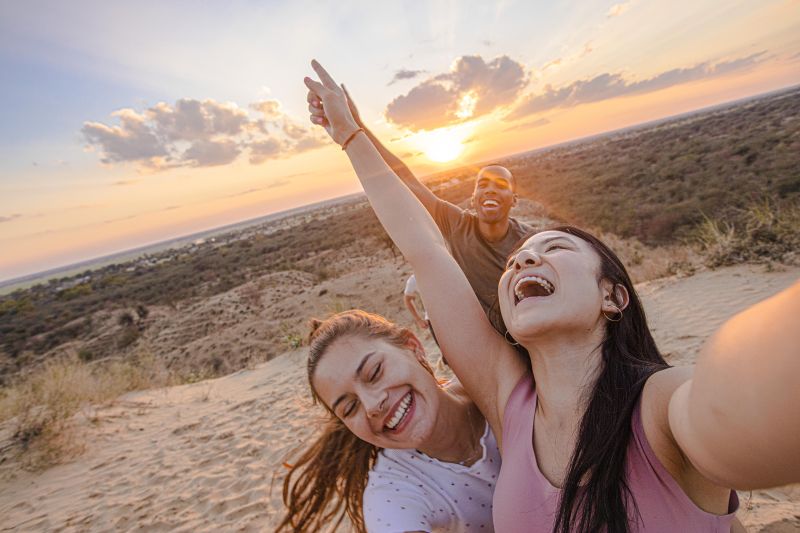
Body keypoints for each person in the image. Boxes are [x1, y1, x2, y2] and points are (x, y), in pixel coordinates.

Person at [304, 60, 800, 532]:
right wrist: (351, 135)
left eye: (556, 248)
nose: (523, 260)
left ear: (613, 297)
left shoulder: (659, 407)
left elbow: (735, 409)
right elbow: (424, 248)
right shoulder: (509, 407)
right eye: (516, 262)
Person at [311, 86, 533, 334]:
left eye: (500, 185)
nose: (490, 190)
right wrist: (356, 127)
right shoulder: (457, 224)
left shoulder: (531, 241)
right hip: (483, 342)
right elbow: (406, 179)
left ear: (514, 200)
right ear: (473, 199)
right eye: (483, 184)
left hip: (527, 337)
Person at [277, 310, 500, 533]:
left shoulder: (499, 382)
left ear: (413, 347)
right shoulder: (392, 490)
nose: (371, 406)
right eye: (350, 408)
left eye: (374, 373)